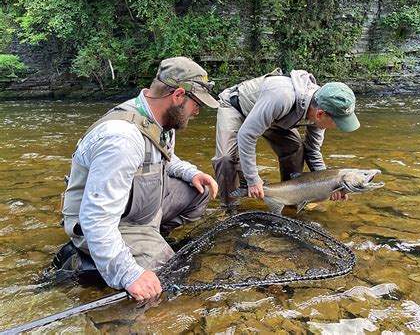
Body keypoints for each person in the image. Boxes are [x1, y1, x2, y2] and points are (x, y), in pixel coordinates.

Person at [60, 57, 219, 301]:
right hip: (107, 222)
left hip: (137, 210)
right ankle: (90, 258)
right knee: (167, 276)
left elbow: (169, 158)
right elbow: (96, 218)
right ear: (177, 95)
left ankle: (146, 242)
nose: (197, 111)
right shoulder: (121, 139)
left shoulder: (158, 119)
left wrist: (193, 173)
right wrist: (129, 274)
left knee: (200, 192)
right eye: (196, 103)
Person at [212, 68, 360, 207]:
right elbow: (247, 135)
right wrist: (252, 179)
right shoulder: (282, 97)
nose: (337, 126)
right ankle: (229, 207)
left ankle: (288, 199)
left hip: (273, 117)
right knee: (226, 158)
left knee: (296, 148)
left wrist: (332, 185)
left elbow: (312, 151)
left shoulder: (320, 108)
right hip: (237, 107)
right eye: (337, 122)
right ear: (320, 114)